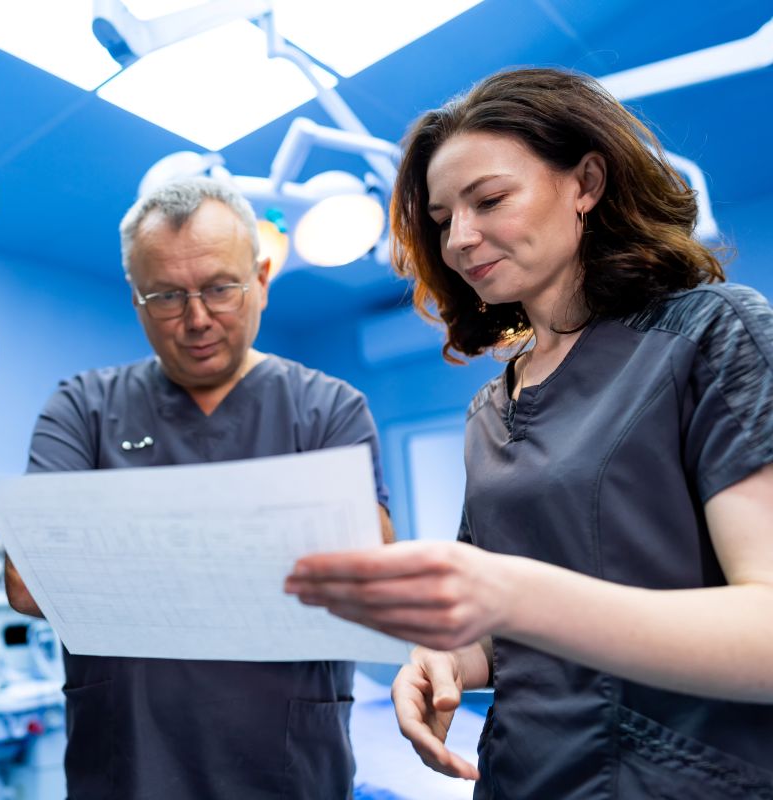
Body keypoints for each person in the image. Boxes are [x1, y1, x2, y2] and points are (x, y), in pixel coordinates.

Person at [284, 67, 773, 798]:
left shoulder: (710, 333)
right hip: (520, 775)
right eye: (444, 219)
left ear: (586, 183)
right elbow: (498, 631)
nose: (460, 238)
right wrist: (445, 656)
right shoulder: (492, 405)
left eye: (489, 200)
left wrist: (509, 595)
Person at [4, 177, 394, 799]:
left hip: (288, 762)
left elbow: (363, 574)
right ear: (136, 298)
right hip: (129, 765)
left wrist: (113, 553)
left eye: (220, 288)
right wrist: (267, 556)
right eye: (165, 295)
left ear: (262, 279)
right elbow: (30, 581)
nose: (196, 319)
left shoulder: (327, 408)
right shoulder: (82, 407)